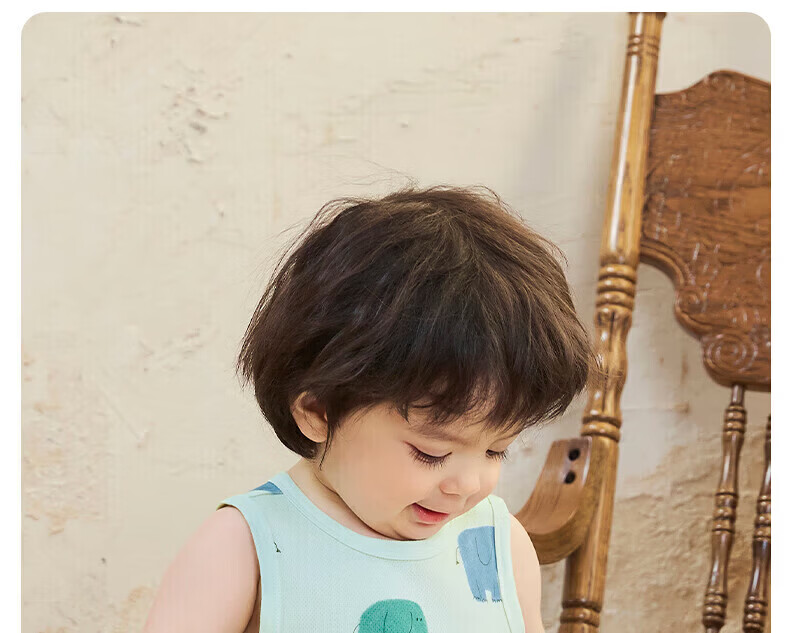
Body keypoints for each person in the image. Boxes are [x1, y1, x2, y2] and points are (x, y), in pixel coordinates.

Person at [143, 185, 596, 633]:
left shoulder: (497, 547)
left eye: (496, 450)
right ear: (319, 411)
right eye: (432, 453)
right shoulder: (246, 547)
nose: (468, 484)